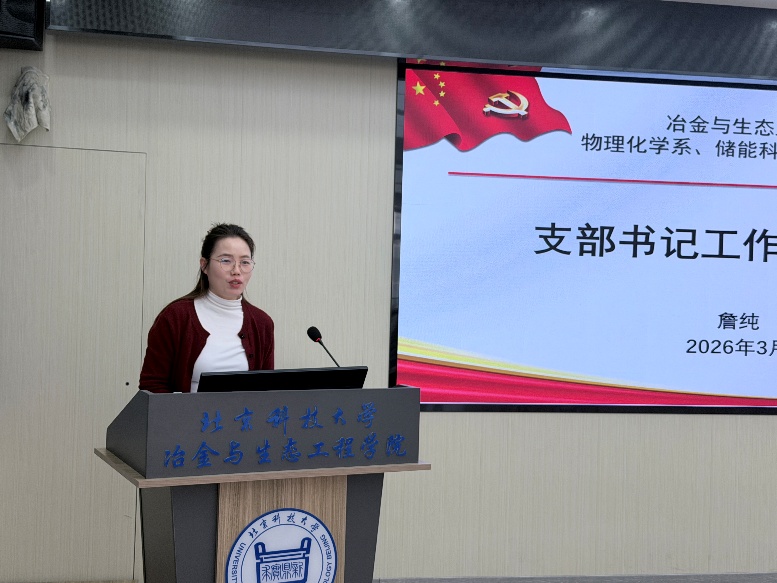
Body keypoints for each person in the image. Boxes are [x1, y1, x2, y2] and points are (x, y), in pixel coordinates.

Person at [139, 223, 274, 393]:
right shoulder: (175, 317)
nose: (236, 271)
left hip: (243, 412)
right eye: (226, 261)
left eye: (245, 262)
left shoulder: (262, 323)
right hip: (187, 411)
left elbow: (267, 391)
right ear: (204, 265)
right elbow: (152, 386)